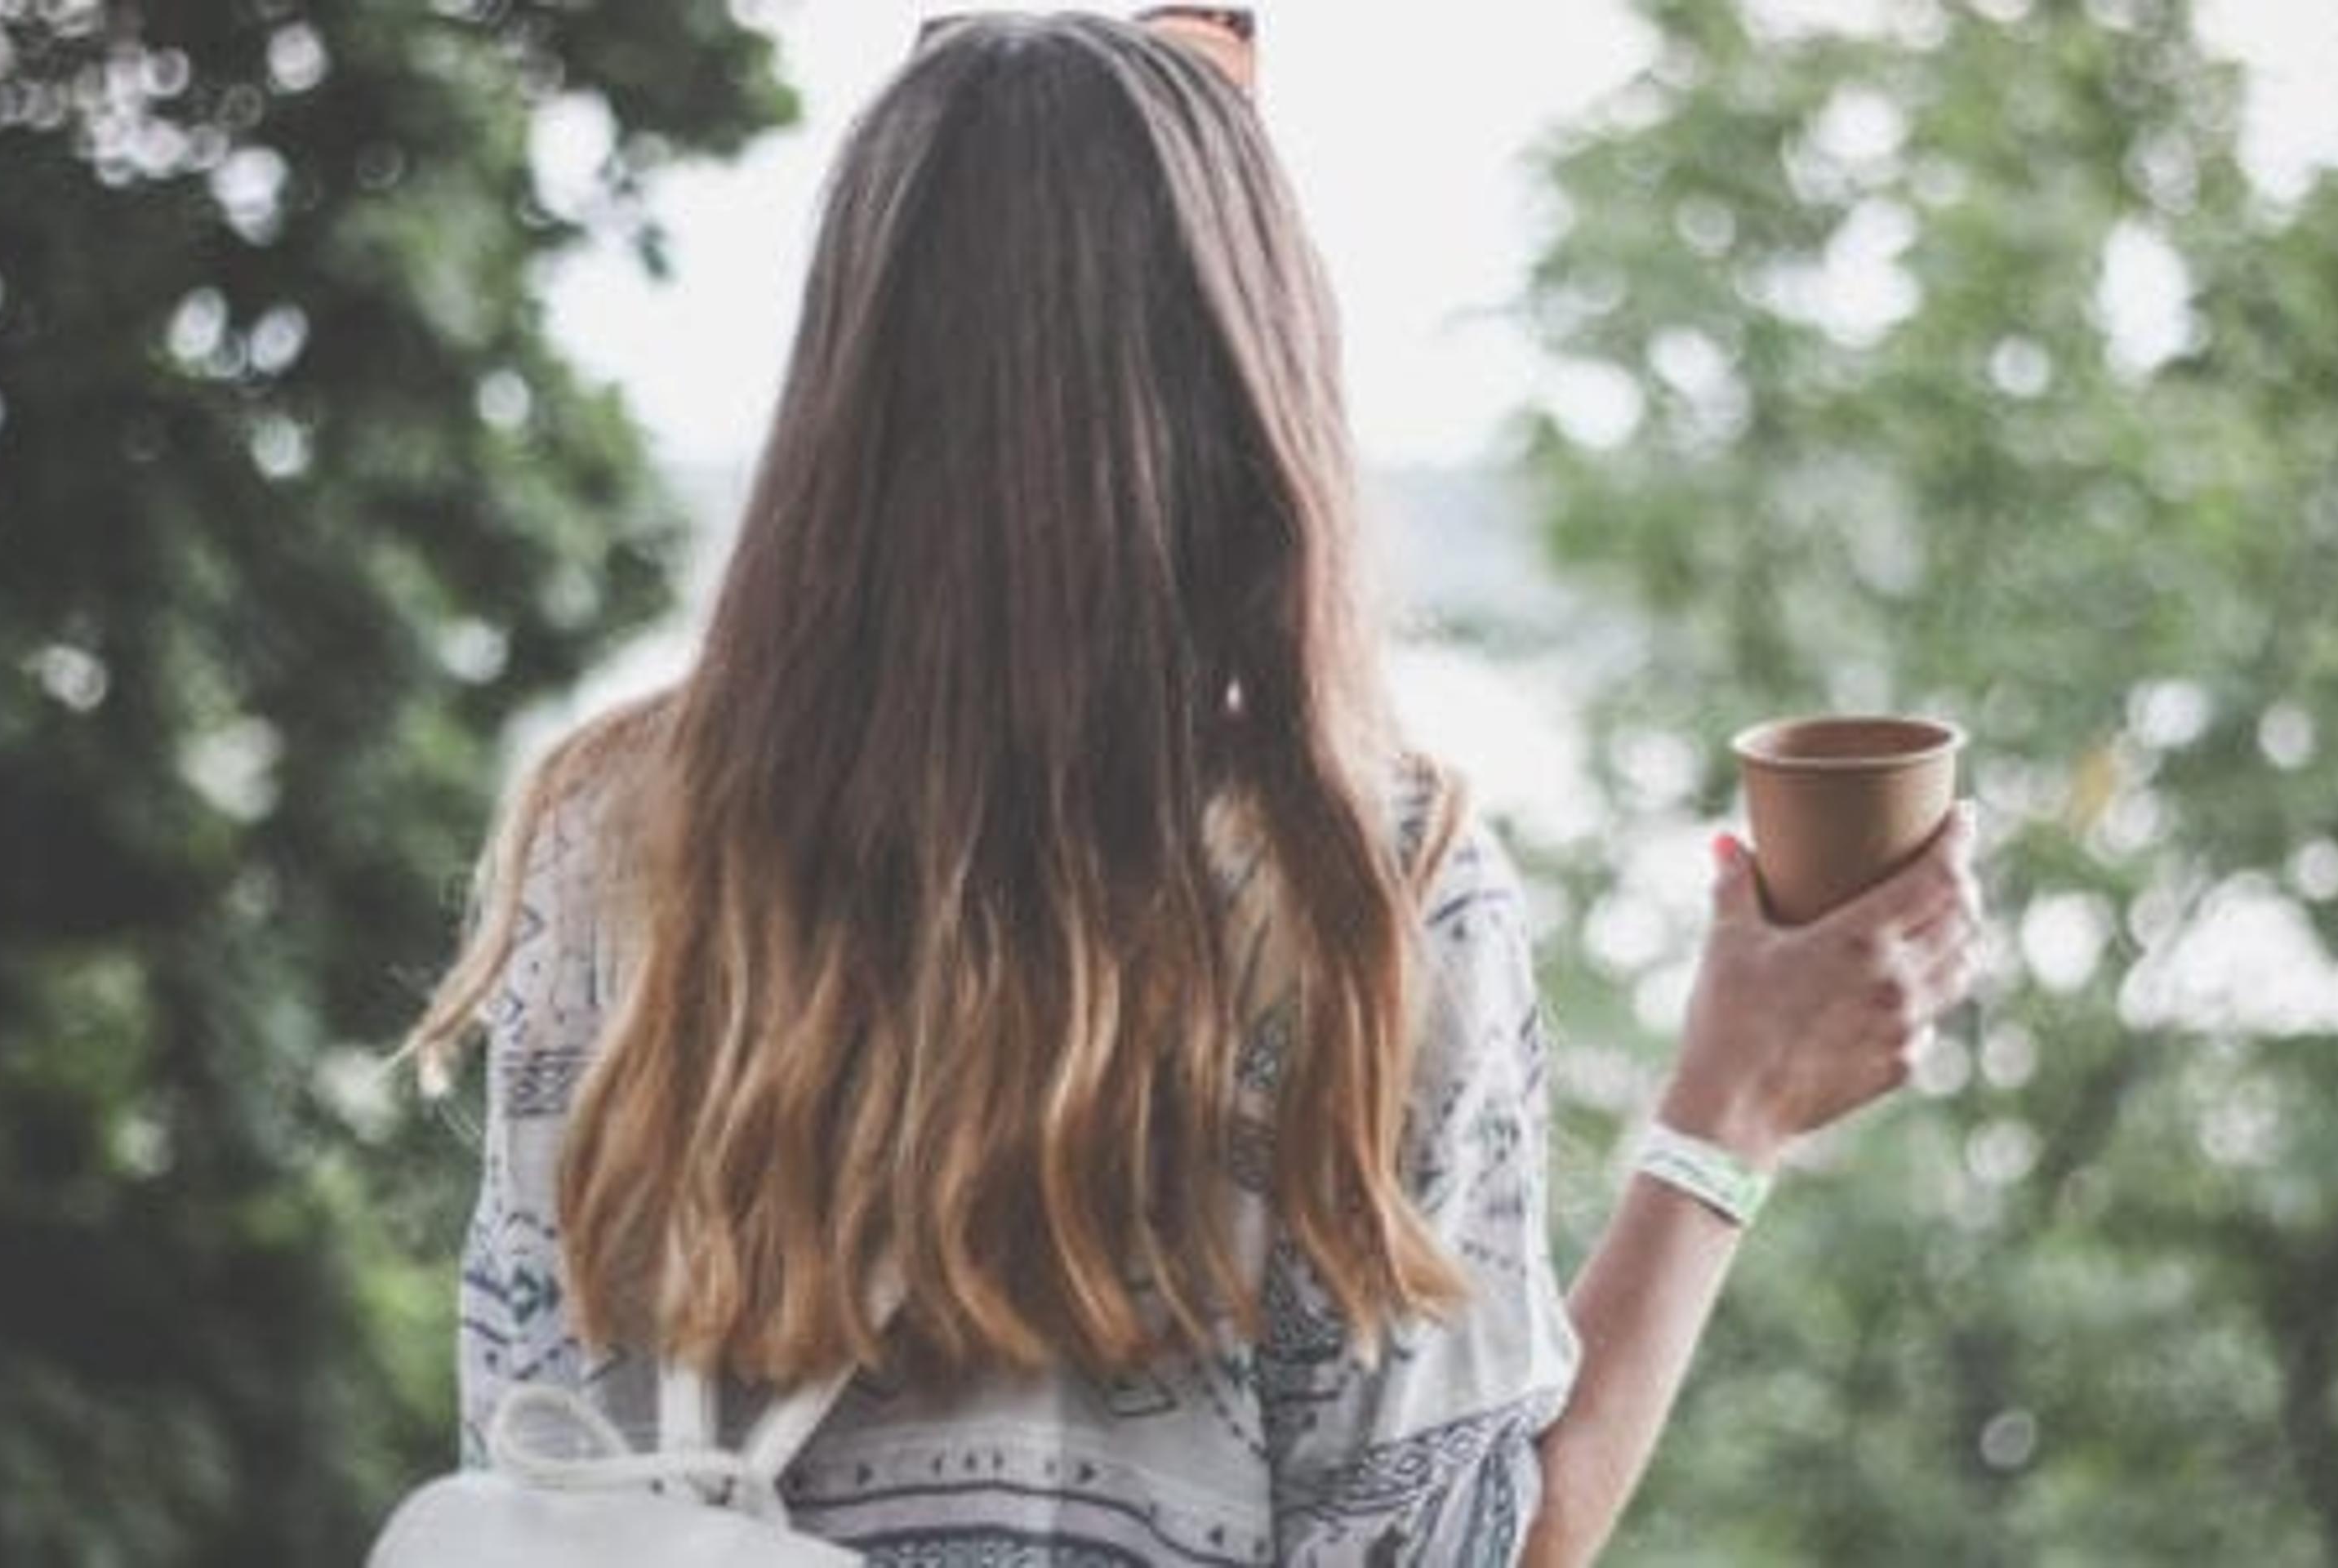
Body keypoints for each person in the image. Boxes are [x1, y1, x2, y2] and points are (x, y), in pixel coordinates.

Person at [398, 9, 1981, 1565]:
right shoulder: (1360, 885)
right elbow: (1451, 1555)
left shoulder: (617, 838)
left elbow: (547, 1477)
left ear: (852, 368)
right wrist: (1730, 1113)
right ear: (1247, 378)